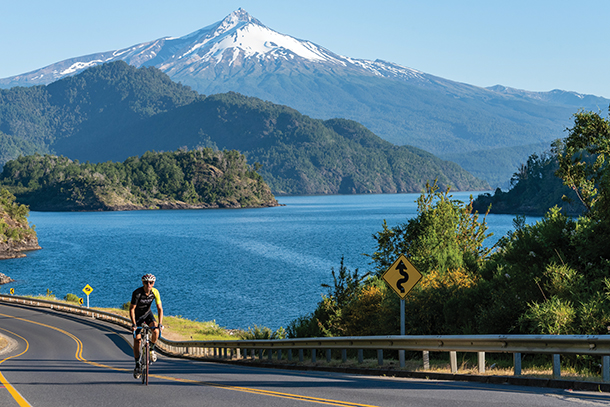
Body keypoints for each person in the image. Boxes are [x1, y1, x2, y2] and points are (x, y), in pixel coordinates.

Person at [130, 273, 164, 379]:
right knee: (138, 340)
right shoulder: (137, 293)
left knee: (156, 331)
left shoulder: (155, 292)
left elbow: (159, 309)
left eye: (151, 282)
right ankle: (137, 364)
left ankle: (152, 349)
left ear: (153, 283)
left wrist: (160, 323)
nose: (148, 284)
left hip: (148, 314)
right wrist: (134, 324)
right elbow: (131, 309)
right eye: (146, 282)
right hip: (138, 317)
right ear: (143, 283)